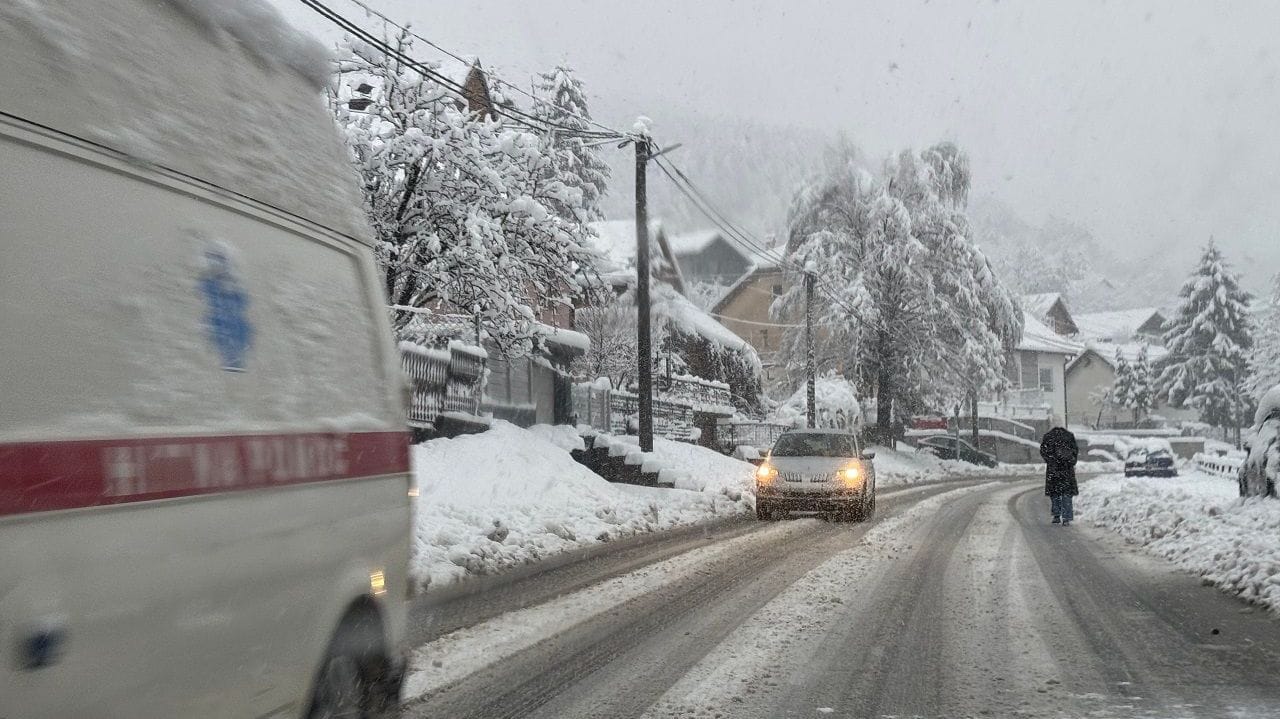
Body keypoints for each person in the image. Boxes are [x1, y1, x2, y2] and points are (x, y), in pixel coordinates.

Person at [1039, 426, 1079, 525]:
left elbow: (1043, 451)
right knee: (1066, 493)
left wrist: (1051, 460)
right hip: (1067, 469)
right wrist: (1070, 461)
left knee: (1055, 493)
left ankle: (1056, 515)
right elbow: (1075, 451)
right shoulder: (1069, 436)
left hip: (1053, 469)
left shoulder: (1048, 436)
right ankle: (1066, 518)